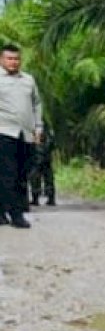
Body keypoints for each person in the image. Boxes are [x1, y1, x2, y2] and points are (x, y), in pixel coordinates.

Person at [0, 44, 42, 228]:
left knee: (22, 173)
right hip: (4, 131)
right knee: (9, 173)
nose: (13, 62)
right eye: (9, 58)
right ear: (2, 60)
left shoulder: (28, 80)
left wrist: (38, 128)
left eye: (16, 59)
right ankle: (16, 214)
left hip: (25, 134)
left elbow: (37, 104)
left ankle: (2, 211)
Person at [29, 124, 56, 206]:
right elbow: (52, 145)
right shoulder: (48, 131)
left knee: (35, 179)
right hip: (46, 158)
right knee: (48, 178)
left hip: (37, 159)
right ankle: (50, 198)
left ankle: (36, 199)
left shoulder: (33, 130)